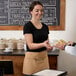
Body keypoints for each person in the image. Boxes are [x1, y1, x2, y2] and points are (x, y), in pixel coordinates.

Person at [23, 1, 52, 76]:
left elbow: (47, 43)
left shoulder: (45, 26)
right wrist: (43, 44)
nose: (40, 12)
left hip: (44, 59)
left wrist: (49, 47)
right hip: (32, 60)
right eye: (37, 10)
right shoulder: (28, 26)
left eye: (41, 10)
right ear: (31, 12)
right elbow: (30, 45)